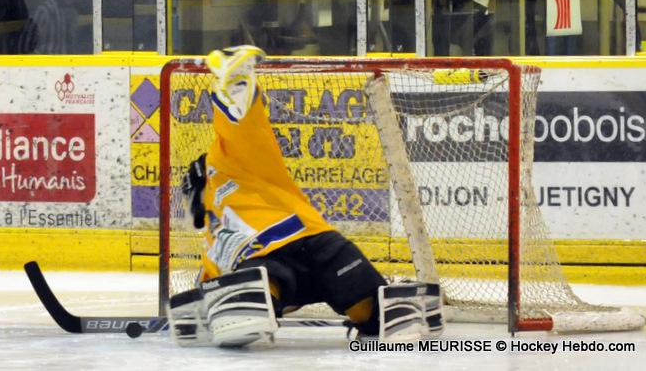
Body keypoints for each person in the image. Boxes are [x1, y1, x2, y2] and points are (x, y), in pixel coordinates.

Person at [167, 45, 443, 347]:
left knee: (366, 310)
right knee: (264, 285)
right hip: (305, 251)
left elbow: (241, 113)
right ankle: (247, 302)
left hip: (307, 247)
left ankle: (246, 304)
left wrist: (234, 75)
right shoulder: (212, 235)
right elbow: (203, 290)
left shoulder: (225, 163)